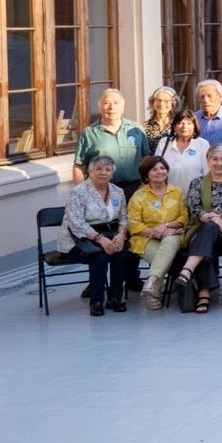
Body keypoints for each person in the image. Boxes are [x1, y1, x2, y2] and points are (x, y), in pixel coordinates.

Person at [58, 156, 135, 315]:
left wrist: (121, 235)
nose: (103, 172)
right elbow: (76, 222)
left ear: (112, 173)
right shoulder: (78, 192)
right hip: (80, 238)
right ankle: (97, 301)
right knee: (99, 257)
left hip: (110, 233)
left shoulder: (117, 191)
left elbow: (123, 217)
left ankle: (115, 298)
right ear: (90, 172)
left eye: (108, 169)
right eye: (98, 169)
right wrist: (100, 239)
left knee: (122, 254)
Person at [173, 146, 222, 313]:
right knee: (207, 235)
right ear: (208, 161)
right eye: (214, 159)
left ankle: (188, 272)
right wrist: (216, 220)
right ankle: (203, 294)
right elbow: (195, 209)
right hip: (202, 227)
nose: (219, 163)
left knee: (203, 242)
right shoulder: (197, 182)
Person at [127, 156, 187, 310]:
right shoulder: (138, 196)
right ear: (146, 175)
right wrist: (155, 232)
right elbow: (134, 224)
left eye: (162, 168)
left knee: (170, 240)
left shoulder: (177, 192)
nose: (159, 172)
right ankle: (155, 286)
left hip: (173, 234)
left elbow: (184, 217)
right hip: (144, 238)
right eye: (154, 169)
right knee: (160, 258)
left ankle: (152, 287)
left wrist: (166, 226)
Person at [74, 89, 150, 190]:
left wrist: (145, 184)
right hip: (101, 189)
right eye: (106, 103)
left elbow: (146, 159)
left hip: (135, 189)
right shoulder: (88, 133)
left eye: (116, 103)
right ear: (100, 107)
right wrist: (82, 192)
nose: (111, 107)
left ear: (123, 107)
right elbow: (79, 166)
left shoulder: (136, 129)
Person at [156, 111, 211, 192]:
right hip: (168, 196)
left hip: (195, 196)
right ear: (174, 126)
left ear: (194, 127)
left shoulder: (202, 144)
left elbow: (207, 172)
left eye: (189, 123)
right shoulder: (164, 143)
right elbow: (156, 169)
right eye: (181, 123)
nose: (184, 126)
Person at [195, 80, 222, 147]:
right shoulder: (194, 118)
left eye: (209, 96)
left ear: (220, 97)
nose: (205, 100)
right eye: (202, 96)